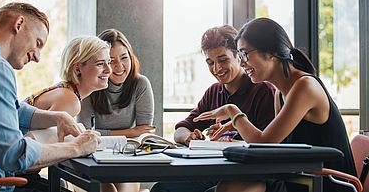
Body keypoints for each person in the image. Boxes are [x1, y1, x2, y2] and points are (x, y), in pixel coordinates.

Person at [194, 18, 357, 192]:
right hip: (299, 178)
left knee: (231, 189)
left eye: (245, 54)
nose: (241, 63)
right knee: (226, 187)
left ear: (271, 52)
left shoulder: (305, 86)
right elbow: (273, 148)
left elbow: (264, 142)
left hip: (326, 183)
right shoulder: (280, 93)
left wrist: (232, 112)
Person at [0, 2, 100, 192]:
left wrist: (57, 117)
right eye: (38, 43)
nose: (37, 57)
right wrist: (76, 147)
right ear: (19, 23)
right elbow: (13, 154)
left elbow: (12, 109)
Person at [151, 25, 276, 192]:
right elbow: (180, 129)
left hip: (248, 175)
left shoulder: (263, 91)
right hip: (217, 172)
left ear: (239, 56)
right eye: (210, 63)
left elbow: (268, 146)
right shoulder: (213, 92)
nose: (216, 69)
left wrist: (233, 141)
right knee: (162, 189)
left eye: (223, 60)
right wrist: (189, 137)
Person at [19, 35, 111, 191]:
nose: (109, 70)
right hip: (14, 177)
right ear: (77, 69)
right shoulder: (70, 100)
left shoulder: (65, 91)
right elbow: (36, 152)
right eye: (100, 64)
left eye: (109, 62)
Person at [78, 28, 155, 192]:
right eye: (111, 61)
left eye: (124, 58)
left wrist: (133, 133)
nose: (119, 66)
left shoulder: (140, 84)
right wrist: (130, 132)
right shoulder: (90, 85)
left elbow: (144, 134)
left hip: (126, 158)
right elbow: (84, 134)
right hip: (93, 159)